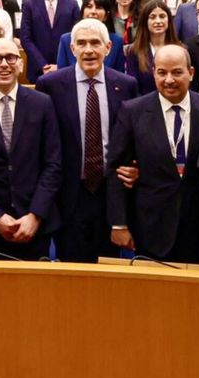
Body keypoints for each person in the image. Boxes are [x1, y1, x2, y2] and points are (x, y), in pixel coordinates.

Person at [37, 19, 140, 262]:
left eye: (95, 43)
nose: (88, 50)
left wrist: (137, 168)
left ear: (108, 48)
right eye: (81, 44)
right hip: (69, 196)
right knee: (72, 276)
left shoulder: (126, 86)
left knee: (111, 273)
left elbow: (136, 140)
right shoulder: (50, 86)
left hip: (112, 195)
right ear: (72, 49)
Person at [106, 42, 199, 263]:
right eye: (161, 72)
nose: (169, 80)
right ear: (153, 73)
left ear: (191, 73)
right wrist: (119, 224)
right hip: (150, 225)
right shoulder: (133, 111)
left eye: (177, 72)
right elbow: (116, 169)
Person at [0, 35, 62, 260]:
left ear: (20, 63)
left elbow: (53, 163)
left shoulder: (43, 104)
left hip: (35, 225)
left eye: (10, 58)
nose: (4, 64)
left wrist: (35, 215)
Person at [19, 0, 79, 80]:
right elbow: (25, 38)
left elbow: (76, 37)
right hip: (38, 70)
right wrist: (43, 65)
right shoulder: (29, 5)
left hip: (65, 69)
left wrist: (61, 65)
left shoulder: (72, 4)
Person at [124, 0, 180, 93]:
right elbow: (133, 87)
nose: (158, 21)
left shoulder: (181, 50)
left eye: (162, 16)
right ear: (145, 21)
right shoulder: (134, 51)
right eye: (152, 17)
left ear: (169, 20)